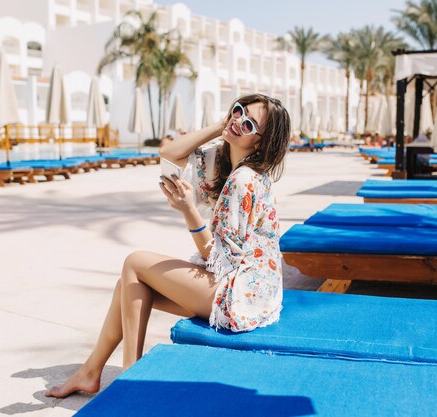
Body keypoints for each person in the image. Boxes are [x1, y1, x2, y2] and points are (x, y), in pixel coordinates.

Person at [45, 93, 291, 398]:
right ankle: (90, 372)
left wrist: (188, 211)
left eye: (249, 123)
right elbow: (168, 152)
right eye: (238, 111)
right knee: (129, 285)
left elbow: (217, 259)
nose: (239, 121)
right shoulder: (225, 159)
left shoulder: (243, 179)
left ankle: (130, 381)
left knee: (135, 262)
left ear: (260, 142)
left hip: (241, 295)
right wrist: (220, 125)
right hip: (250, 291)